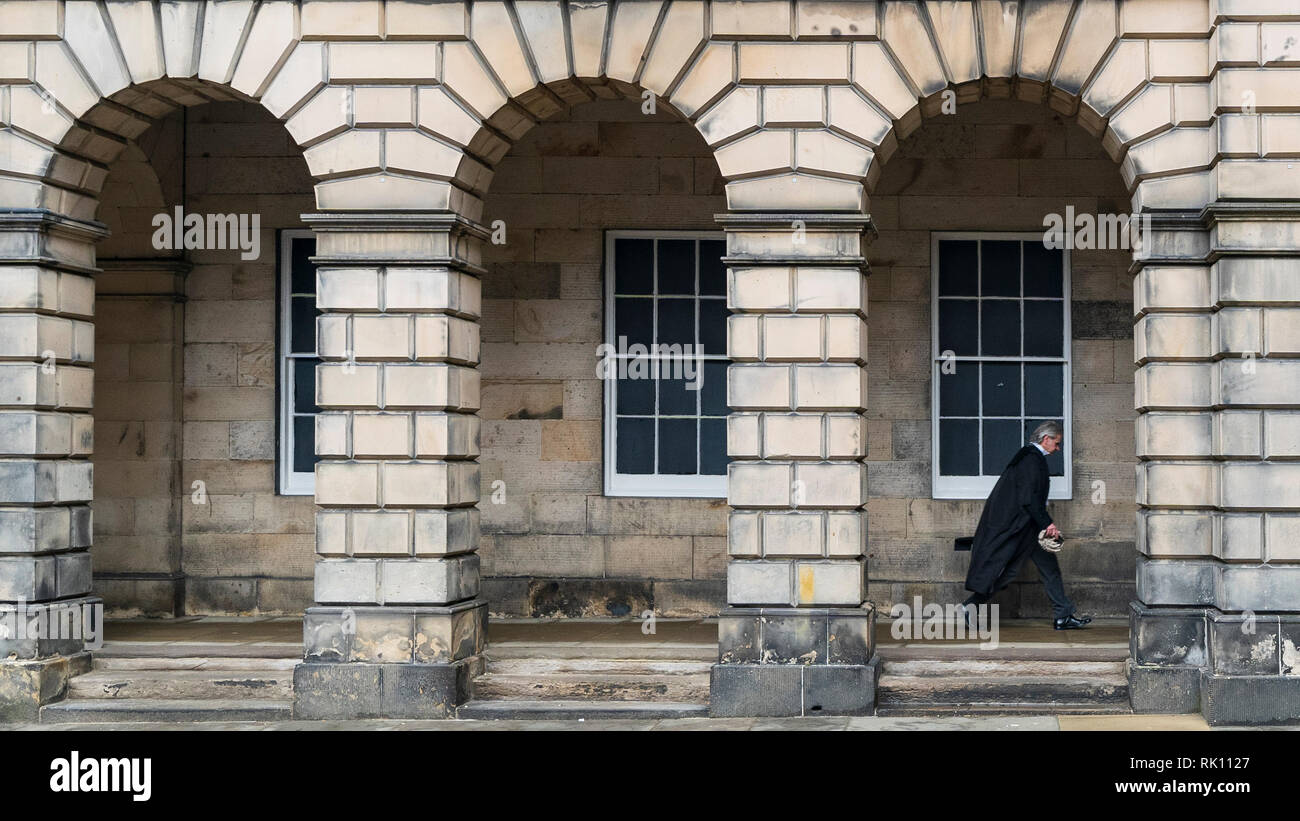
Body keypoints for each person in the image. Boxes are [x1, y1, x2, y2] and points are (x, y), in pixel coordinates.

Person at [959, 421, 1091, 630]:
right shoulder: (1031, 459)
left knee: (1049, 569)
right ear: (1045, 439)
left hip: (1026, 527)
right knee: (1011, 572)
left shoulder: (1029, 457)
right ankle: (971, 605)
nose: (1057, 449)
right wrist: (1048, 524)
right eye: (1056, 443)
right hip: (1023, 528)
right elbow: (1029, 498)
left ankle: (1062, 615)